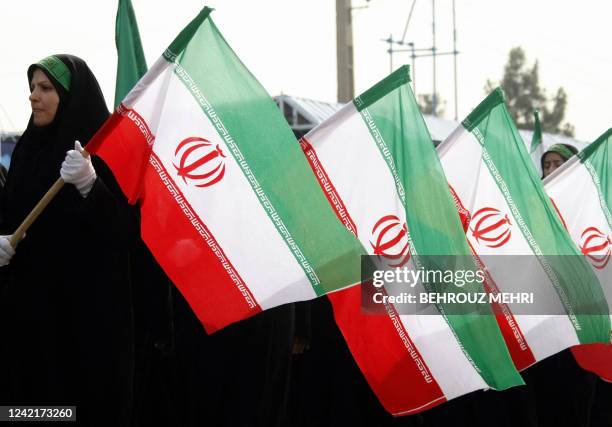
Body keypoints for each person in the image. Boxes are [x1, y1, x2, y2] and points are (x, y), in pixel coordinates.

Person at [0, 54, 136, 426]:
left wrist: (92, 186)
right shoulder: (26, 151)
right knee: (28, 411)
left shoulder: (101, 153)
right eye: (31, 88)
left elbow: (124, 234)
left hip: (82, 324)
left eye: (45, 88)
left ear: (69, 96)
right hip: (30, 321)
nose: (33, 97)